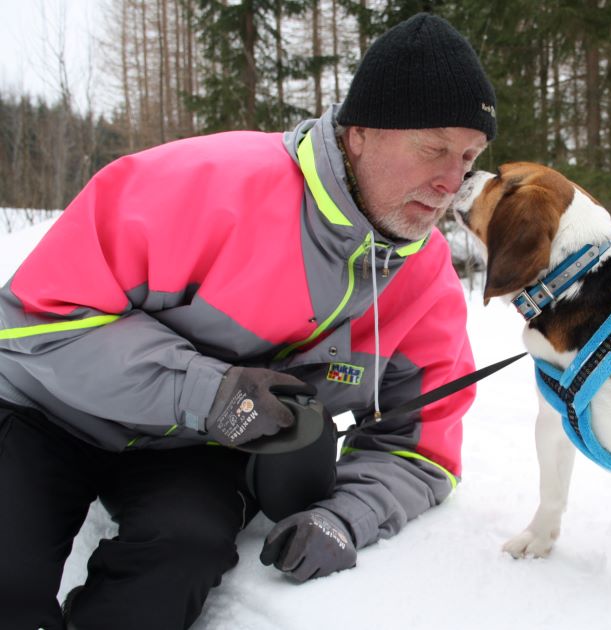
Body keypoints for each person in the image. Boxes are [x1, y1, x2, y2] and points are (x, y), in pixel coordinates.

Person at [0, 13, 496, 630]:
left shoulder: (424, 283)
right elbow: (35, 320)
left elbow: (424, 447)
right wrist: (210, 392)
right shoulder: (204, 184)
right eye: (434, 148)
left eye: (469, 158)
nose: (451, 181)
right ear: (360, 132)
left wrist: (345, 516)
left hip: (193, 454)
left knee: (176, 559)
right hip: (45, 412)